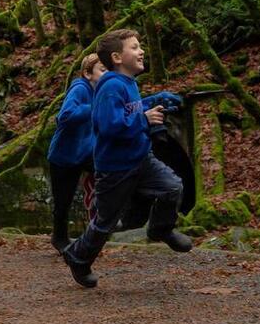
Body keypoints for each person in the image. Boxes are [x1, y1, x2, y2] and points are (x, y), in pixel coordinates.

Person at [62, 29, 191, 288]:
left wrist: (156, 100)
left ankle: (160, 228)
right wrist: (143, 119)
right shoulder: (110, 87)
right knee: (104, 223)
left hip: (141, 158)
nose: (141, 51)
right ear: (117, 57)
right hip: (115, 168)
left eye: (140, 45)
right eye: (134, 47)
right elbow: (109, 126)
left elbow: (130, 109)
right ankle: (78, 256)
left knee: (172, 187)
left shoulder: (129, 82)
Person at [47, 53, 105, 253]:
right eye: (102, 70)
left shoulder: (103, 91)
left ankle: (105, 220)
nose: (107, 75)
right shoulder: (80, 88)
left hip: (87, 153)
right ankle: (59, 237)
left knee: (113, 174)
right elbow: (65, 115)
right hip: (64, 156)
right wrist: (94, 107)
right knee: (63, 201)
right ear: (88, 74)